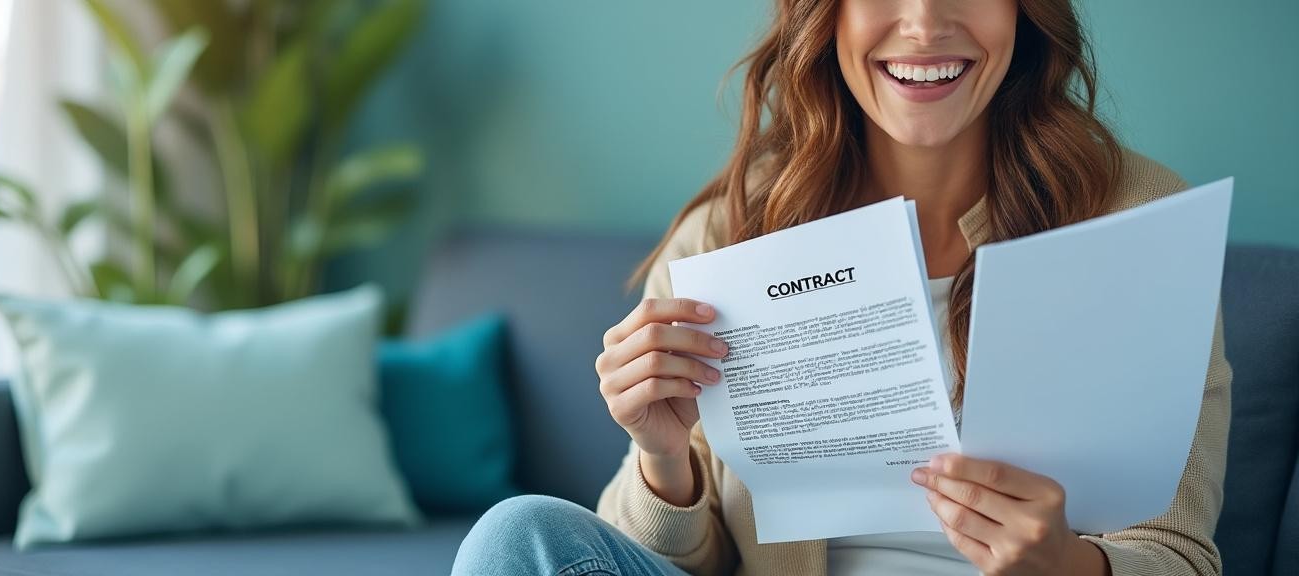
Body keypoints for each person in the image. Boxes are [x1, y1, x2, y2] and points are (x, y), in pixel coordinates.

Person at [452, 0, 1231, 574]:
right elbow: (678, 560)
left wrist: (1067, 565)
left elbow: (1179, 554)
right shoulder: (734, 231)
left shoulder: (1139, 220)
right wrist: (661, 456)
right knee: (515, 536)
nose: (925, 24)